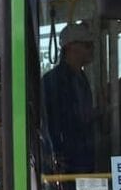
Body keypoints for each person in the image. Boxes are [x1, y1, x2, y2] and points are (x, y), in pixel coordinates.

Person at [41, 23, 96, 173]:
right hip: (64, 161)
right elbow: (46, 123)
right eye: (87, 45)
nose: (92, 49)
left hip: (83, 157)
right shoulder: (52, 81)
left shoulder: (81, 78)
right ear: (71, 47)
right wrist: (51, 154)